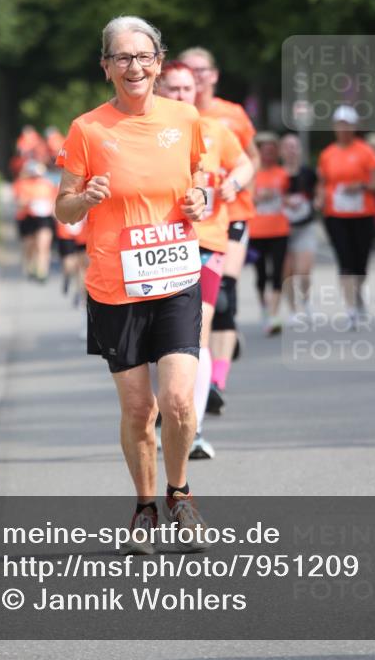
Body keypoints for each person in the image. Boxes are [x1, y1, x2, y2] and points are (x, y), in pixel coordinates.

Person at [55, 16, 209, 549]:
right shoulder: (87, 129)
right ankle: (145, 507)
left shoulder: (185, 118)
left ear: (159, 63)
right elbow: (63, 209)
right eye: (122, 58)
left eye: (143, 57)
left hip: (175, 278)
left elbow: (202, 183)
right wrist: (85, 198)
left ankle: (181, 495)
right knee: (139, 410)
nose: (134, 67)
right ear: (106, 68)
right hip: (114, 285)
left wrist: (201, 200)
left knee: (179, 400)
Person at [157, 61, 253, 457]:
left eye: (187, 89)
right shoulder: (150, 133)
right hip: (160, 244)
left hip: (208, 242)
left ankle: (191, 429)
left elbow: (245, 162)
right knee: (161, 342)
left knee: (197, 334)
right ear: (160, 90)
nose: (181, 96)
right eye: (173, 89)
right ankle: (166, 410)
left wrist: (233, 182)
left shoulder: (215, 131)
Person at [178, 47, 259, 413]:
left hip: (229, 214)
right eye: (187, 72)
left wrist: (237, 184)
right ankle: (189, 378)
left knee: (222, 297)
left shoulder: (229, 117)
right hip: (184, 229)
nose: (194, 79)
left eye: (201, 71)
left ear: (212, 75)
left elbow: (250, 159)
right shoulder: (168, 120)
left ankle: (214, 381)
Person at [316, 105, 375, 329]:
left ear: (354, 127)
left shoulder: (366, 152)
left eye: (348, 125)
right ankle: (351, 309)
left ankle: (357, 294)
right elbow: (322, 183)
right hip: (336, 215)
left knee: (360, 263)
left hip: (362, 214)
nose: (343, 129)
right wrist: (319, 199)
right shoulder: (327, 154)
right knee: (345, 261)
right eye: (340, 125)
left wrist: (362, 186)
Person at [248, 133, 290, 335]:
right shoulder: (252, 174)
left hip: (279, 230)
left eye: (272, 151)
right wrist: (258, 197)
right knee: (261, 275)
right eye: (265, 151)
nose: (268, 155)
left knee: (278, 272)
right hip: (257, 231)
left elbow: (291, 198)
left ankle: (274, 314)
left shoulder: (283, 174)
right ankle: (265, 309)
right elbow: (245, 201)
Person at [280, 133, 318, 317]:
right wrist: (284, 200)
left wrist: (318, 201)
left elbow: (318, 193)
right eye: (288, 147)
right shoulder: (277, 174)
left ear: (300, 150)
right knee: (287, 272)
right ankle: (293, 310)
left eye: (295, 146)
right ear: (282, 151)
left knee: (303, 271)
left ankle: (306, 301)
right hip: (282, 229)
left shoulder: (308, 173)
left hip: (305, 226)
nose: (291, 150)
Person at [12, 160, 57, 281]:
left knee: (43, 244)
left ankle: (42, 271)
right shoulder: (22, 184)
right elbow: (19, 202)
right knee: (30, 245)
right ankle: (29, 266)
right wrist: (30, 202)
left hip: (44, 218)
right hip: (27, 217)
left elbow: (53, 202)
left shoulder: (48, 184)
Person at [55, 214, 89, 308]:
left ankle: (80, 293)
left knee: (82, 267)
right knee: (69, 264)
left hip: (83, 234)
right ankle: (67, 275)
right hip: (66, 234)